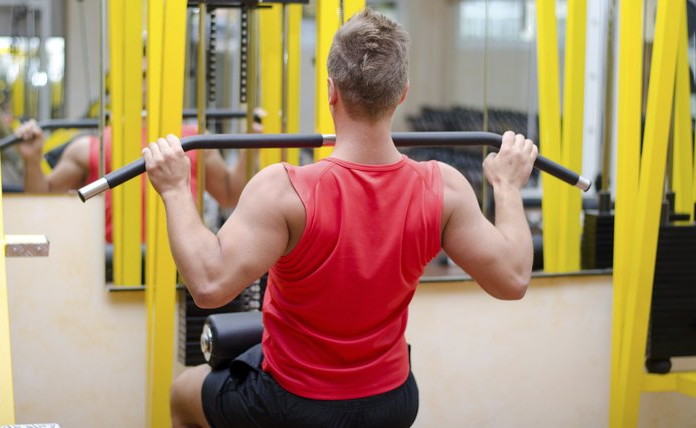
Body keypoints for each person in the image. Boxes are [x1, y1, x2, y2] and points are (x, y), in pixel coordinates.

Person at [144, 8, 537, 428]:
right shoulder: (445, 188)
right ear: (401, 93)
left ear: (331, 90)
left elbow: (207, 283)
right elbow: (513, 280)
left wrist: (173, 188)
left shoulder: (285, 189)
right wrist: (508, 188)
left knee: (183, 394)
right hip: (392, 402)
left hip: (294, 404)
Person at [14, 117, 259, 243]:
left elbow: (229, 194)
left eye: (149, 74)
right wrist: (32, 159)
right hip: (113, 270)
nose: (145, 83)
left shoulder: (193, 141)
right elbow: (42, 196)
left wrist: (252, 146)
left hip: (181, 268)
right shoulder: (93, 146)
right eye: (139, 75)